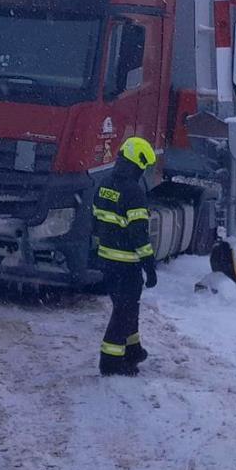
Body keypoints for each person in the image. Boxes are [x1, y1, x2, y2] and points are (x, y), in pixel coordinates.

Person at [94, 136, 158, 376]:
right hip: (127, 263)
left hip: (106, 260)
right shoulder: (134, 192)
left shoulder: (104, 184)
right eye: (143, 167)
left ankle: (133, 350)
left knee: (127, 308)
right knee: (124, 311)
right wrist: (149, 266)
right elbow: (139, 233)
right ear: (136, 163)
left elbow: (95, 221)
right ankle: (110, 361)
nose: (143, 171)